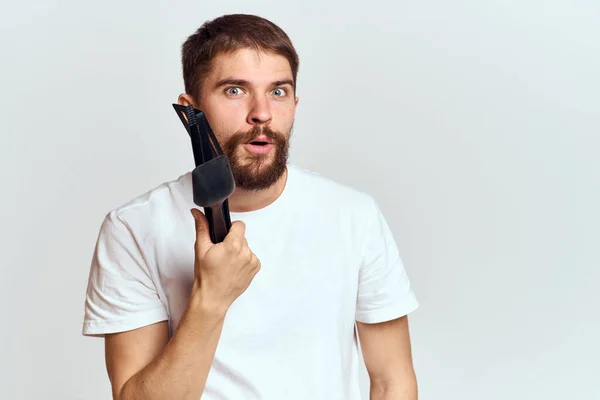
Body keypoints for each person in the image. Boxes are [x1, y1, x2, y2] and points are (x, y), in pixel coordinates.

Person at [82, 13, 419, 400]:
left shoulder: (353, 215)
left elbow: (393, 380)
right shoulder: (133, 228)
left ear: (294, 102)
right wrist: (212, 298)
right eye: (235, 90)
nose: (261, 112)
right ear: (191, 111)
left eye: (278, 91)